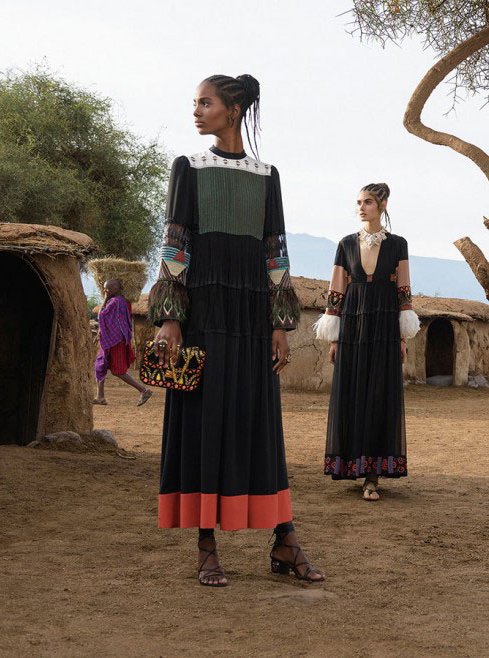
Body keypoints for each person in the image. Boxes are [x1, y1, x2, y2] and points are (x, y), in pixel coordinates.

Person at [148, 73, 323, 586]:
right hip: (201, 319)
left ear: (234, 107)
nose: (196, 111)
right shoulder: (189, 167)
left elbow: (276, 251)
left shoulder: (267, 175)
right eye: (195, 103)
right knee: (205, 425)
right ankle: (206, 546)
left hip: (251, 322)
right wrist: (171, 319)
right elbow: (175, 246)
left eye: (205, 102)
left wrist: (280, 324)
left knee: (258, 423)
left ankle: (284, 541)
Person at [314, 183, 420, 501]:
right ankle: (352, 465)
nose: (361, 207)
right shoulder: (345, 244)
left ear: (383, 205)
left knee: (379, 397)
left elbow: (404, 291)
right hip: (352, 327)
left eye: (368, 202)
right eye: (359, 202)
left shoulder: (398, 245)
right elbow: (336, 291)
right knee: (352, 393)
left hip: (385, 327)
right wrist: (334, 339)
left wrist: (402, 336)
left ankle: (372, 476)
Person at [93, 279, 152, 406]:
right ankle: (100, 397)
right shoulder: (124, 302)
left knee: (118, 371)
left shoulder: (115, 302)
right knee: (100, 365)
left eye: (107, 289)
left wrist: (104, 298)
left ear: (115, 289)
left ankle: (143, 390)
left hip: (115, 340)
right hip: (114, 339)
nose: (105, 291)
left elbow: (102, 315)